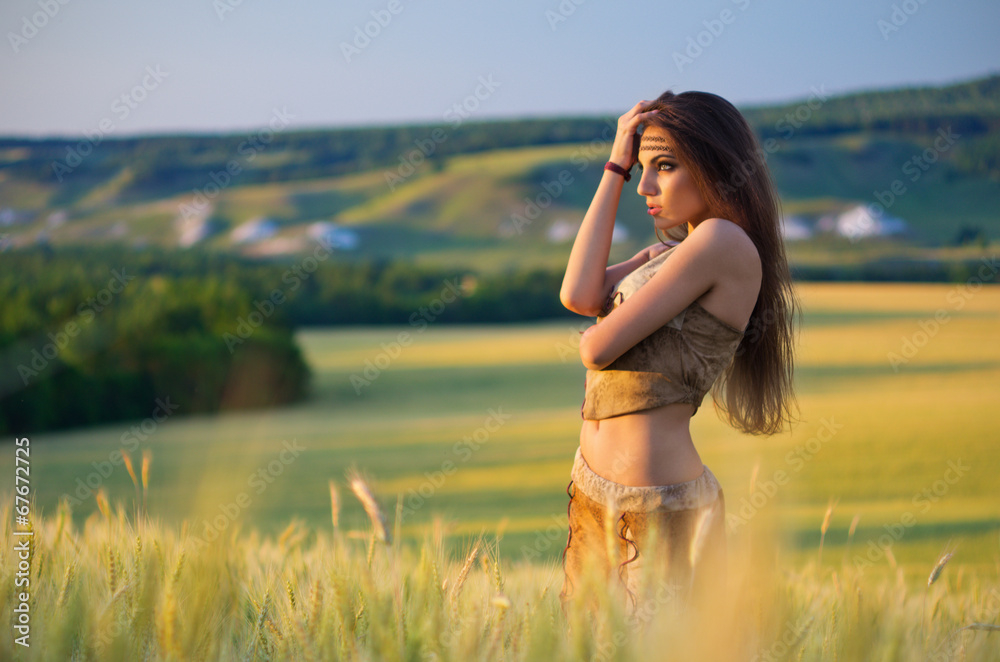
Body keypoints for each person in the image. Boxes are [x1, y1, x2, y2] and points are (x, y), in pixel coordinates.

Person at [557, 90, 798, 622]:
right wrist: (615, 162)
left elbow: (595, 347)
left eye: (663, 167)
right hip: (593, 487)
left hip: (657, 503)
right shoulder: (671, 253)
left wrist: (594, 335)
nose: (645, 186)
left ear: (715, 164)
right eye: (640, 169)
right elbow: (576, 294)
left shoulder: (722, 242)